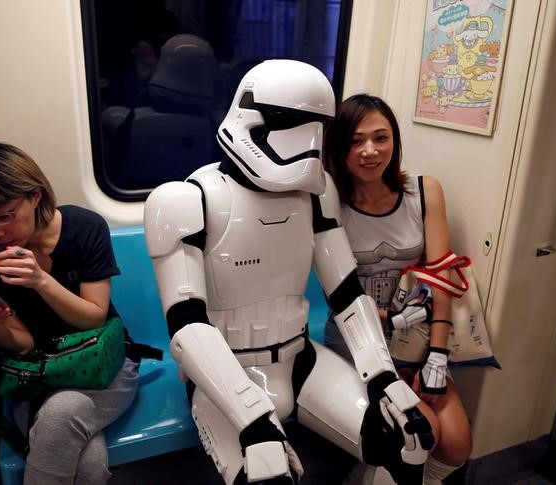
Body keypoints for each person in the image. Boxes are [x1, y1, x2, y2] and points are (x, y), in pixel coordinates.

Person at [144, 59, 435, 485]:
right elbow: (186, 324)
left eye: (319, 127)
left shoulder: (318, 196)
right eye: (293, 123)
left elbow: (347, 292)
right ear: (252, 117)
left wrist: (383, 377)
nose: (308, 142)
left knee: (406, 439)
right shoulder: (185, 201)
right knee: (267, 473)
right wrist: (251, 417)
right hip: (224, 372)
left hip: (300, 358)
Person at [0, 143, 139, 485]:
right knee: (89, 463)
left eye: (3, 215)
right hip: (36, 379)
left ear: (35, 196)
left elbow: (94, 317)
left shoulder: (84, 227)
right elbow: (24, 342)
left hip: (103, 368)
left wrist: (40, 281)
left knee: (63, 413)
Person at [323, 94, 473, 484]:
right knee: (419, 434)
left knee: (457, 444)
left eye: (380, 137)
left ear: (395, 140)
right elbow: (336, 292)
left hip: (416, 339)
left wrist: (437, 355)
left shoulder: (425, 193)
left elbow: (440, 276)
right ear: (339, 148)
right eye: (356, 141)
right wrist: (391, 317)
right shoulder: (328, 205)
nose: (370, 151)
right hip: (357, 343)